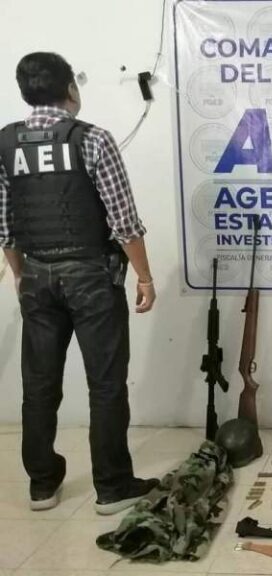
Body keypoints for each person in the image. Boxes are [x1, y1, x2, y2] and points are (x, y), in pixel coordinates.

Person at [0, 52, 159, 514]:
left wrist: (21, 274)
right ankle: (112, 487)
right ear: (70, 88)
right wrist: (145, 277)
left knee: (39, 385)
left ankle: (42, 485)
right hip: (91, 276)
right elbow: (124, 222)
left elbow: (5, 225)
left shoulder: (5, 143)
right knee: (106, 385)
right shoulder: (92, 139)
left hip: (36, 274)